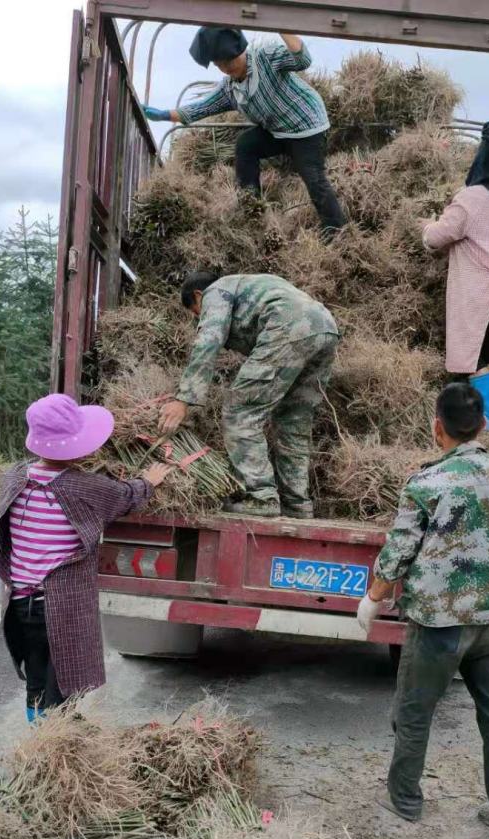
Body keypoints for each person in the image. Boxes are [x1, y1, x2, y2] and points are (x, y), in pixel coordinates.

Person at [357, 382, 489, 835]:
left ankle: (404, 801)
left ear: (436, 428)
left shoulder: (426, 481)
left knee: (414, 712)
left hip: (438, 623)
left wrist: (373, 598)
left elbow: (399, 550)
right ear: (484, 425)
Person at [0, 393, 170, 721]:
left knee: (37, 675)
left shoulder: (15, 476)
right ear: (78, 445)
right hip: (59, 605)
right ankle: (54, 744)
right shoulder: (85, 487)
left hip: (19, 602)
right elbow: (126, 496)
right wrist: (149, 481)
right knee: (62, 682)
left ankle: (38, 732)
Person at [159, 271, 339, 519]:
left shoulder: (216, 291)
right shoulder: (251, 285)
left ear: (198, 295)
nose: (197, 317)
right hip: (326, 328)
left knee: (239, 412)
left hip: (289, 327)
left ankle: (260, 497)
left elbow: (209, 340)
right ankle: (297, 504)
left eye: (195, 311)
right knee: (293, 421)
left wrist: (183, 399)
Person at [144, 26, 346, 235]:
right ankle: (251, 206)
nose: (226, 68)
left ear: (240, 50)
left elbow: (302, 60)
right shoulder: (230, 89)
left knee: (313, 177)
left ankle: (336, 231)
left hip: (307, 126)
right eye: (219, 65)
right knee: (246, 145)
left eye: (229, 61)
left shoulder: (265, 57)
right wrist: (164, 115)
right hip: (278, 131)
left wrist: (282, 25)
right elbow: (201, 109)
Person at [422, 119, 489, 428]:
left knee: (476, 358)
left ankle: (488, 422)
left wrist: (424, 226)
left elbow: (436, 237)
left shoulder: (472, 198)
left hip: (480, 291)